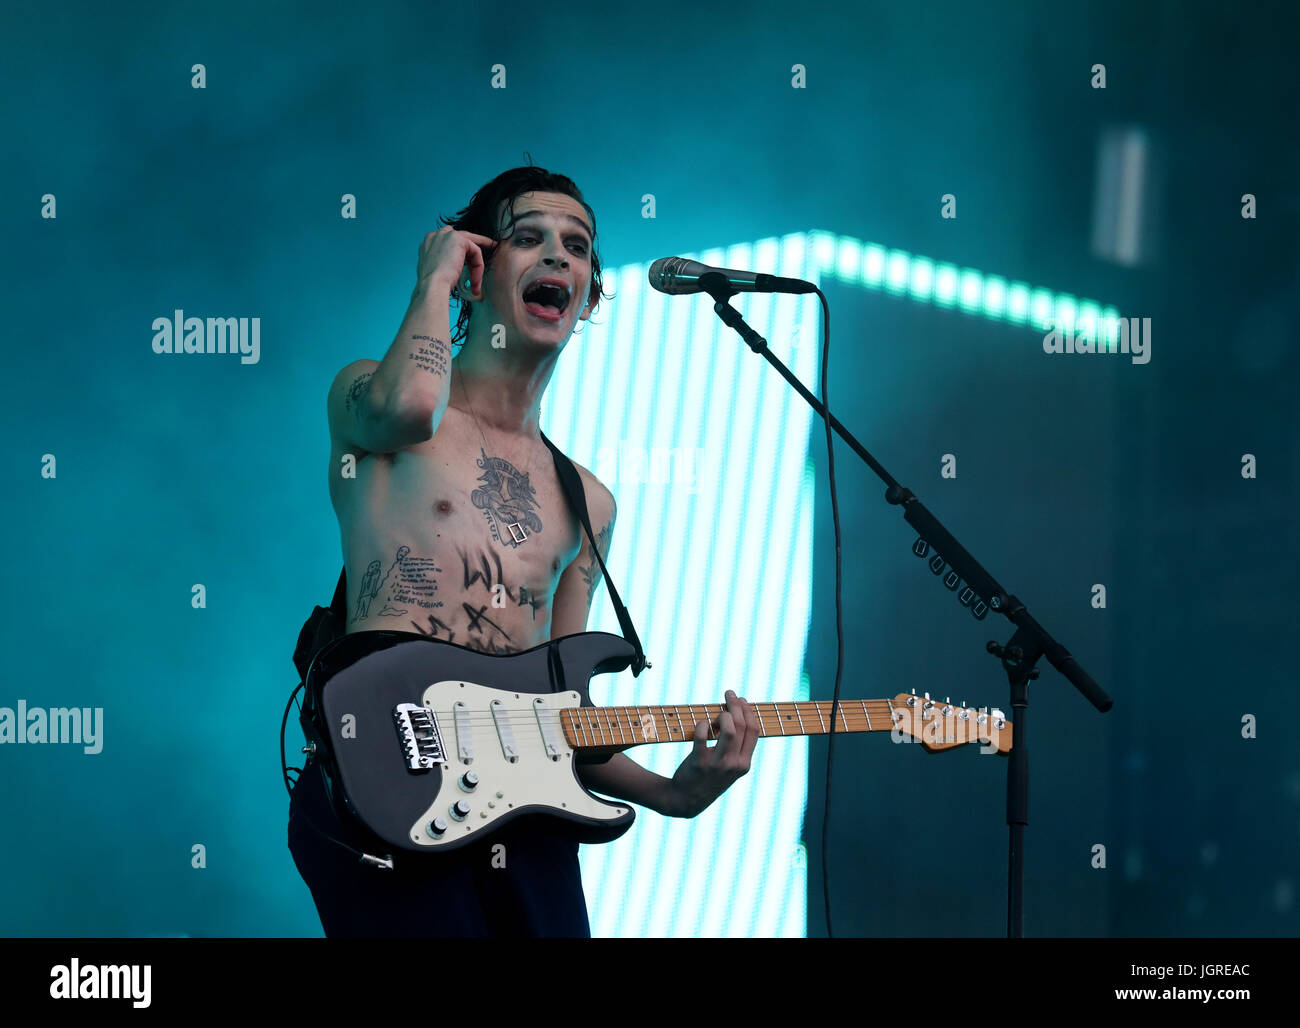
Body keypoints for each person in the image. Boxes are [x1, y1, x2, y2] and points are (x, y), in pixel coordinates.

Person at [288, 164, 760, 937]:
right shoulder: (370, 394)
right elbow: (412, 406)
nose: (558, 258)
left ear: (590, 298)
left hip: (520, 818)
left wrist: (676, 794)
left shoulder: (588, 501)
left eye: (577, 247)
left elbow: (564, 714)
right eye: (527, 239)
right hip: (380, 783)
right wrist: (435, 281)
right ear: (476, 271)